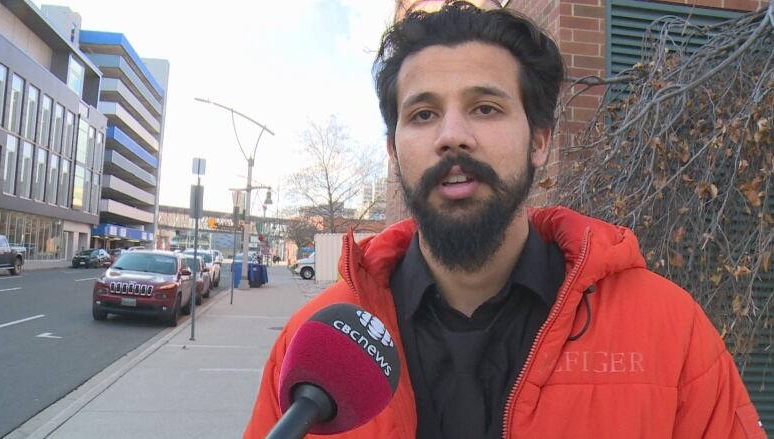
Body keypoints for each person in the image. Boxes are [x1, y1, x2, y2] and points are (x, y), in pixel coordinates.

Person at [244, 2, 766, 438]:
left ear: (540, 141)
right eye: (423, 114)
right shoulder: (315, 344)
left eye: (486, 108)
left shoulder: (669, 332)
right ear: (393, 149)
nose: (452, 135)